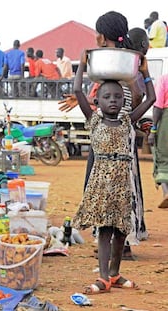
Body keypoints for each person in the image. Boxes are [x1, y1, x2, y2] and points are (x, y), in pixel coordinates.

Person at [58, 12, 152, 253]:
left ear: (100, 36)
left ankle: (119, 245)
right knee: (122, 191)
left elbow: (136, 99)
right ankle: (117, 244)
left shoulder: (116, 64)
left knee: (108, 190)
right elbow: (137, 98)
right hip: (121, 136)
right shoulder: (121, 66)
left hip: (110, 141)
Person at [72, 41, 155, 294]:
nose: (113, 101)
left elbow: (151, 98)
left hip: (122, 184)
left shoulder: (128, 121)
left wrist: (145, 72)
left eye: (118, 97)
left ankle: (115, 273)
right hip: (101, 184)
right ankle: (104, 277)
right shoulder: (94, 120)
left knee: (121, 231)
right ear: (97, 100)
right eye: (107, 97)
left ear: (123, 101)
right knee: (105, 230)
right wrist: (83, 64)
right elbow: (77, 90)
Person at [148, 73, 168, 208]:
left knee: (162, 156)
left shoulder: (164, 79)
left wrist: (153, 130)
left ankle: (166, 193)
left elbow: (158, 106)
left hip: (166, 121)